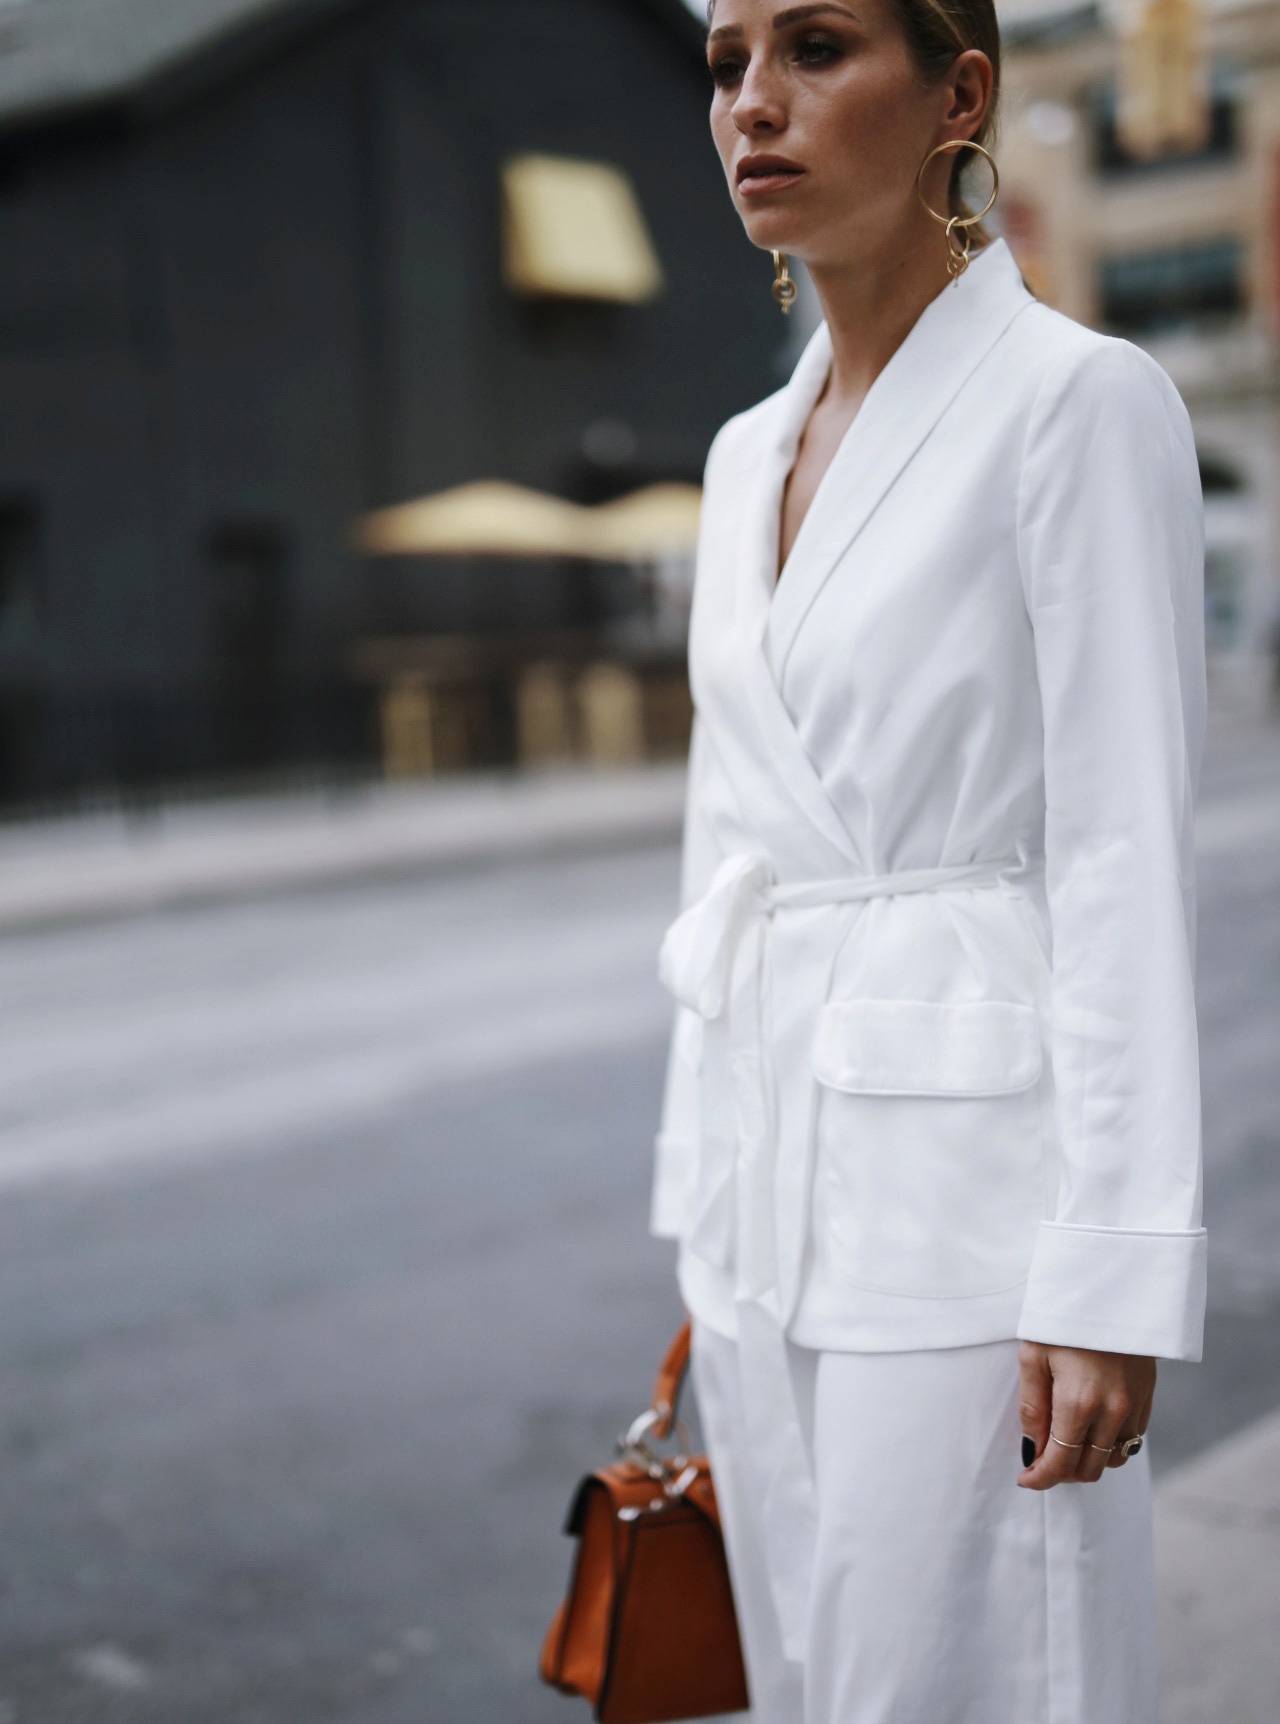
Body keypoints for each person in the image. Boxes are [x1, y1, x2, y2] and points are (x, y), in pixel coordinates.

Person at [649, 3, 1208, 1720]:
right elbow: (726, 845)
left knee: (962, 1681)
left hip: (972, 1199)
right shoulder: (748, 454)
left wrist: (1113, 1263)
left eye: (817, 48)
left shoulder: (1077, 404)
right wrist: (698, 1205)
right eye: (732, 60)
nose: (757, 102)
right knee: (815, 1677)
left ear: (961, 91)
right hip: (758, 1197)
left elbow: (1121, 851)